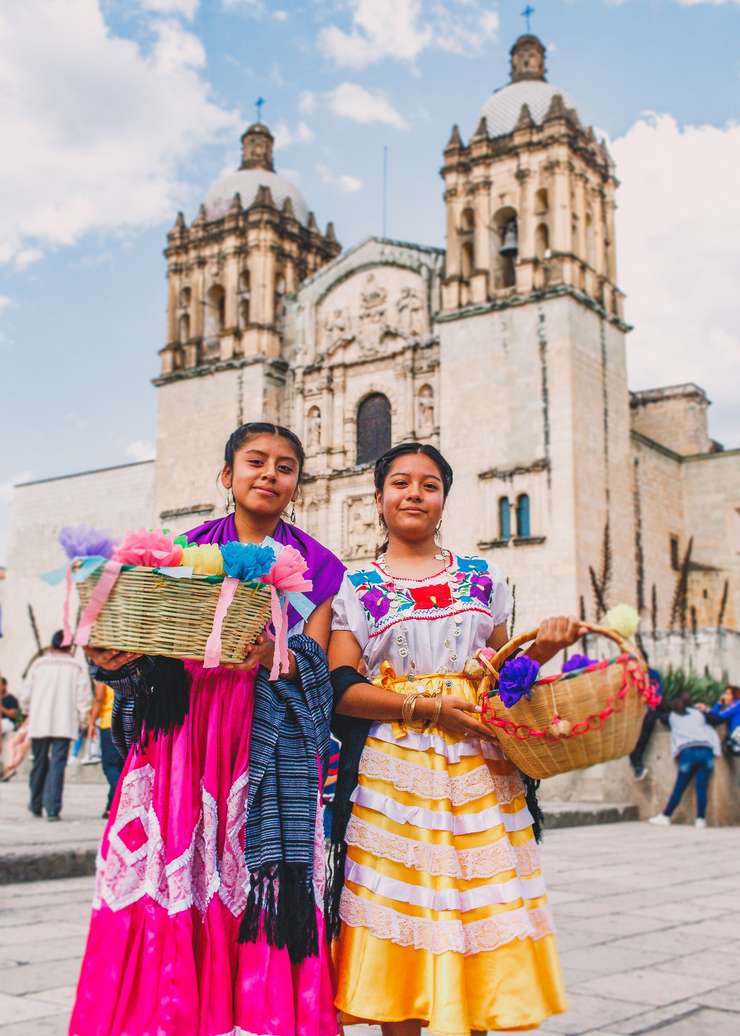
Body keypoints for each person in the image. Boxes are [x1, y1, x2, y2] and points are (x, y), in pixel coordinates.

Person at [70, 422, 345, 1036]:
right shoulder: (180, 554)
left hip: (262, 741)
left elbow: (316, 665)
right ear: (227, 476)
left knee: (255, 883)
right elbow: (144, 650)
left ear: (297, 485)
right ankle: (168, 1013)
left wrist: (273, 651)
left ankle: (263, 1011)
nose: (270, 474)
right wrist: (114, 662)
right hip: (185, 737)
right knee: (176, 869)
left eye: (285, 466)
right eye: (256, 462)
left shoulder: (319, 568)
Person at [327, 442, 583, 1036]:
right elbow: (341, 688)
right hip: (396, 773)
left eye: (428, 484)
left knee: (477, 916)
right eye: (400, 482)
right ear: (379, 498)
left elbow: (505, 684)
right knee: (403, 913)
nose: (413, 493)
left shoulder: (483, 578)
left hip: (479, 767)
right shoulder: (355, 585)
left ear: (444, 499)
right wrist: (428, 707)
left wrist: (541, 649)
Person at [20, 631, 91, 820]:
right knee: (58, 765)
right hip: (64, 722)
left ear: (52, 645)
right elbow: (83, 698)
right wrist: (84, 718)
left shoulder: (39, 664)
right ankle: (53, 809)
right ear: (69, 646)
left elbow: (26, 694)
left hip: (40, 721)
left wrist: (27, 711)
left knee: (39, 761)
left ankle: (35, 804)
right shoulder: (76, 667)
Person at [649, 690, 721, 829]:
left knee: (679, 787)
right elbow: (717, 719)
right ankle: (700, 820)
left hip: (688, 752)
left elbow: (659, 717)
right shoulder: (698, 714)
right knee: (702, 788)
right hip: (706, 751)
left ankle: (666, 816)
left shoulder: (671, 717)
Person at [87, 681, 122, 818]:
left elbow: (99, 698)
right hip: (130, 722)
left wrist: (91, 722)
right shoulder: (133, 668)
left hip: (110, 723)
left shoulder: (106, 670)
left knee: (110, 767)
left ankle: (119, 794)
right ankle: (111, 806)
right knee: (122, 765)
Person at [629, 659, 664, 780]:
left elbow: (659, 694)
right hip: (632, 711)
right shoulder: (628, 675)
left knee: (646, 727)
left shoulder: (654, 675)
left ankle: (637, 763)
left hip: (650, 710)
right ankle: (636, 763)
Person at [704, 685, 740, 757]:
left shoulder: (737, 704)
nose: (724, 696)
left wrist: (718, 703)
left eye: (727, 694)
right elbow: (715, 714)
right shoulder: (734, 705)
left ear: (734, 695)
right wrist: (719, 703)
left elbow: (718, 717)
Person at [1, 676, 20, 779]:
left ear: (4, 686)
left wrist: (2, 709)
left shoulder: (11, 699)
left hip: (8, 722)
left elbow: (13, 714)